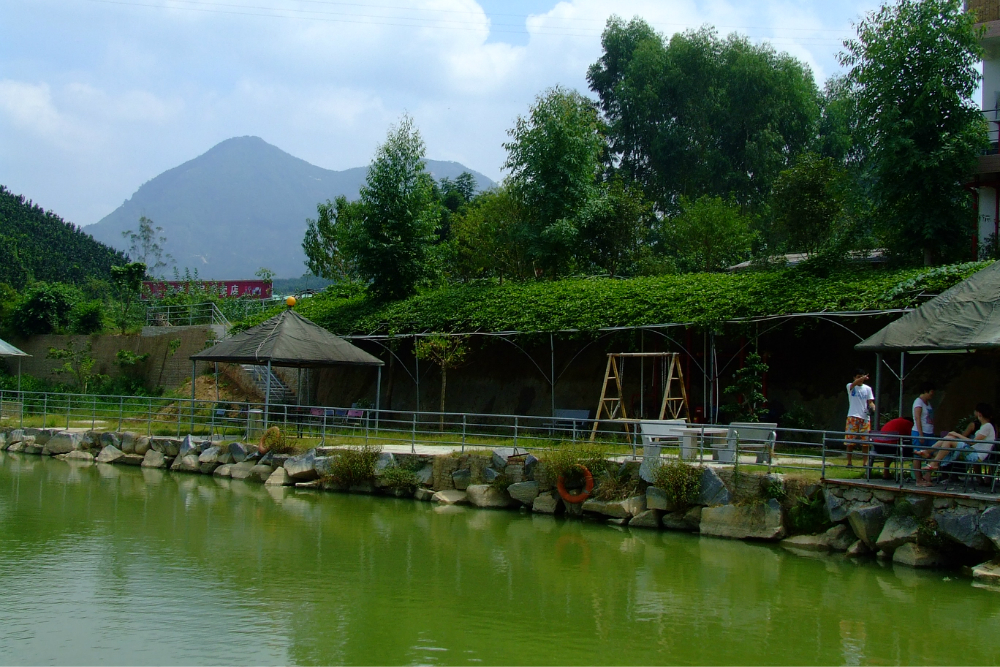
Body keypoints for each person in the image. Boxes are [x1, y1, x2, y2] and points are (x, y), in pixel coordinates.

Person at [920, 403, 996, 486]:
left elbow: (972, 442)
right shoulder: (985, 426)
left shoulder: (987, 426)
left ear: (979, 413)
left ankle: (931, 459)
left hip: (975, 455)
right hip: (972, 452)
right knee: (947, 441)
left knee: (949, 439)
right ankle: (930, 464)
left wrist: (957, 435)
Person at [845, 368, 875, 467]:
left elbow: (870, 402)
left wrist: (873, 408)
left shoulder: (868, 389)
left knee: (866, 442)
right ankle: (849, 462)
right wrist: (862, 377)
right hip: (853, 416)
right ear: (854, 377)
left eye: (862, 377)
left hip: (865, 418)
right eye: (858, 377)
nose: (861, 379)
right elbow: (854, 383)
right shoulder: (850, 386)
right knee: (850, 441)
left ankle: (865, 463)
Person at [910, 382, 936, 486]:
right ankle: (918, 480)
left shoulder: (928, 403)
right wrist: (920, 434)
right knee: (918, 456)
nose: (932, 395)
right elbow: (917, 418)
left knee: (933, 453)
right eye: (931, 392)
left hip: (929, 432)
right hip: (920, 432)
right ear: (925, 391)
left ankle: (927, 476)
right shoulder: (918, 402)